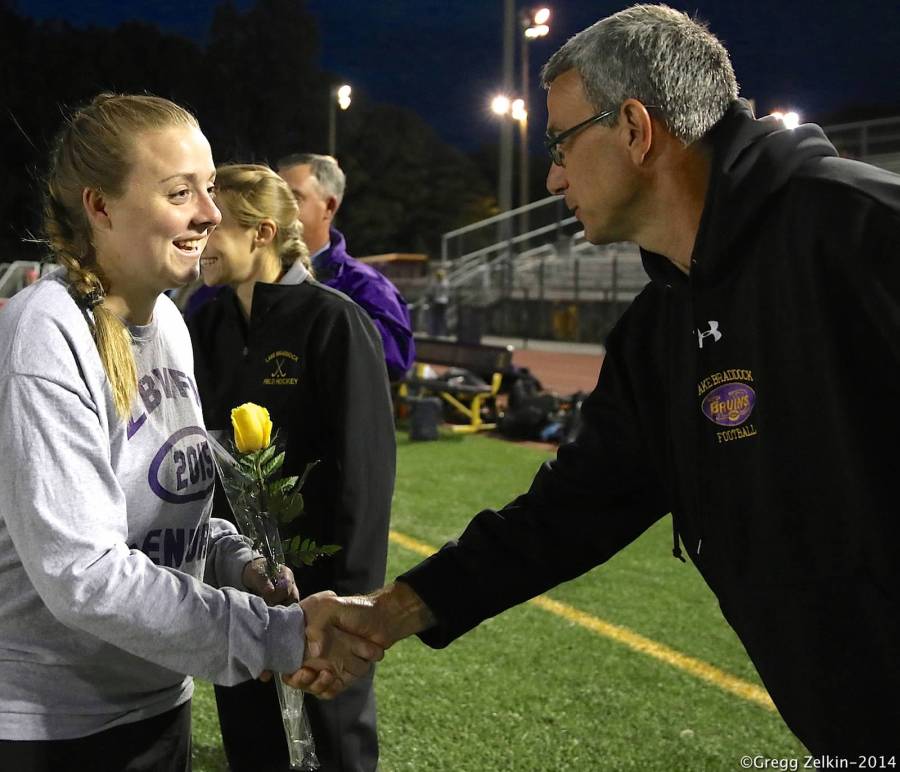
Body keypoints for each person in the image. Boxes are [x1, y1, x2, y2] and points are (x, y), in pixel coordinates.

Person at [287, 4, 900, 758]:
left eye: (561, 142)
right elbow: (576, 510)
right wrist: (392, 612)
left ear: (636, 129)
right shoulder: (660, 323)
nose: (551, 176)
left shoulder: (863, 232)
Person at [0, 94, 380, 770]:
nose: (208, 213)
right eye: (181, 192)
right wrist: (274, 634)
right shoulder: (46, 333)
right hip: (57, 727)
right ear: (100, 205)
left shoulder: (169, 325)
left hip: (157, 697)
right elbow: (82, 573)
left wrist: (241, 564)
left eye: (208, 189)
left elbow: (172, 517)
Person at [187, 163, 394, 772]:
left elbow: (365, 475)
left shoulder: (335, 320)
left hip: (323, 593)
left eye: (214, 222)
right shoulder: (204, 322)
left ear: (261, 232)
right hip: (237, 584)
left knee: (333, 745)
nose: (199, 236)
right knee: (251, 741)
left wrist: (356, 609)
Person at [276, 153, 415, 380]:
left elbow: (396, 360)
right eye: (273, 198)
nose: (277, 211)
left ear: (329, 207)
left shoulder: (366, 286)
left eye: (293, 198)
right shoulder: (245, 277)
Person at [426, 267, 451, 337]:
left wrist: (429, 300)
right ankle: (442, 332)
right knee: (442, 318)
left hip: (437, 301)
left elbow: (431, 293)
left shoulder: (435, 283)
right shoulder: (446, 282)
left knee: (436, 317)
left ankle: (436, 332)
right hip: (444, 301)